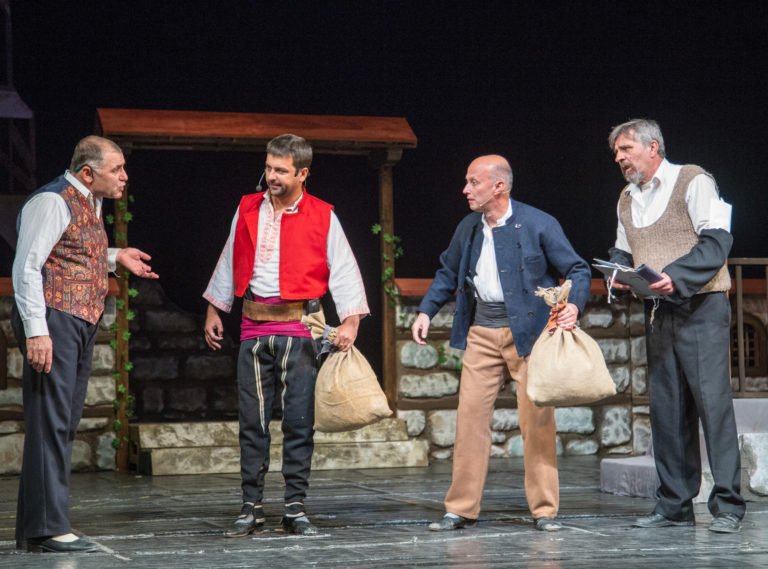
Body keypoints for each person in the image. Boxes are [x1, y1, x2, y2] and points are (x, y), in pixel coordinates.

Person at [412, 155, 591, 532]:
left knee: (537, 422)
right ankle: (461, 508)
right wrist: (426, 311)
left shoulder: (539, 223)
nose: (466, 189)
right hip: (481, 332)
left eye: (473, 182)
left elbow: (577, 268)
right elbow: (448, 271)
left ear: (499, 186)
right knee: (469, 420)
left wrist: (573, 305)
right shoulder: (468, 227)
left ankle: (544, 510)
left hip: (530, 335)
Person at [204, 133, 369, 537]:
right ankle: (251, 507)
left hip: (300, 328)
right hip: (253, 326)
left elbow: (344, 268)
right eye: (269, 167)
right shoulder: (248, 207)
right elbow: (230, 255)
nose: (272, 176)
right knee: (252, 422)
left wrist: (351, 321)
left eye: (281, 170)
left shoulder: (322, 215)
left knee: (298, 421)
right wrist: (215, 307)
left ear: (302, 173)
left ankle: (295, 507)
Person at [12, 135, 159, 553]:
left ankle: (39, 527)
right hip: (55, 318)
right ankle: (49, 528)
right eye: (117, 169)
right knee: (51, 421)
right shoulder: (52, 201)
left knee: (62, 421)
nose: (124, 176)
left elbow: (71, 251)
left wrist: (115, 257)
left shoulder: (88, 201)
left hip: (77, 319)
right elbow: (27, 267)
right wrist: (37, 330)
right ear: (88, 173)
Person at [606, 118, 745, 533]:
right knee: (667, 409)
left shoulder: (693, 180)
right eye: (616, 153)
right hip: (657, 310)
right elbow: (623, 249)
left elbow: (717, 242)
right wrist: (616, 273)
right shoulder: (626, 198)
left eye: (626, 149)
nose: (619, 158)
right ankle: (674, 504)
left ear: (653, 147)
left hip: (701, 306)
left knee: (712, 405)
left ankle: (728, 505)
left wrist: (676, 276)